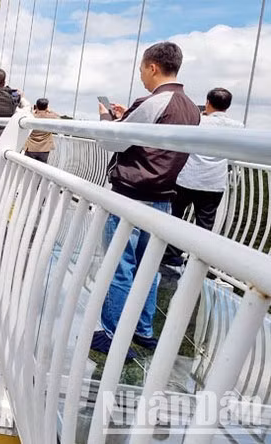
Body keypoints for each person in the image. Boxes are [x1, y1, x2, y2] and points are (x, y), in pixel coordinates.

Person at [92, 41, 201, 359]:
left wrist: (106, 119)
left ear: (153, 67)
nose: (140, 75)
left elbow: (112, 142)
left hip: (131, 197)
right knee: (149, 268)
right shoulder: (192, 108)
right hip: (163, 199)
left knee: (120, 266)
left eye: (141, 69)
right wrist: (127, 117)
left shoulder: (155, 101)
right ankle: (143, 330)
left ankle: (112, 335)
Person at [162, 88, 244, 266]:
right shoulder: (238, 127)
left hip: (186, 178)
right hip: (214, 182)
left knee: (175, 217)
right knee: (205, 224)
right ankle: (197, 261)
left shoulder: (197, 120)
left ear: (207, 102)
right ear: (228, 106)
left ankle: (170, 255)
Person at [23, 98, 59, 163]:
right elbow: (58, 117)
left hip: (31, 147)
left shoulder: (31, 116)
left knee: (28, 166)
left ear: (36, 106)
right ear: (47, 107)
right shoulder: (51, 117)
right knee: (41, 167)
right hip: (44, 148)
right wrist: (49, 110)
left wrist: (34, 111)